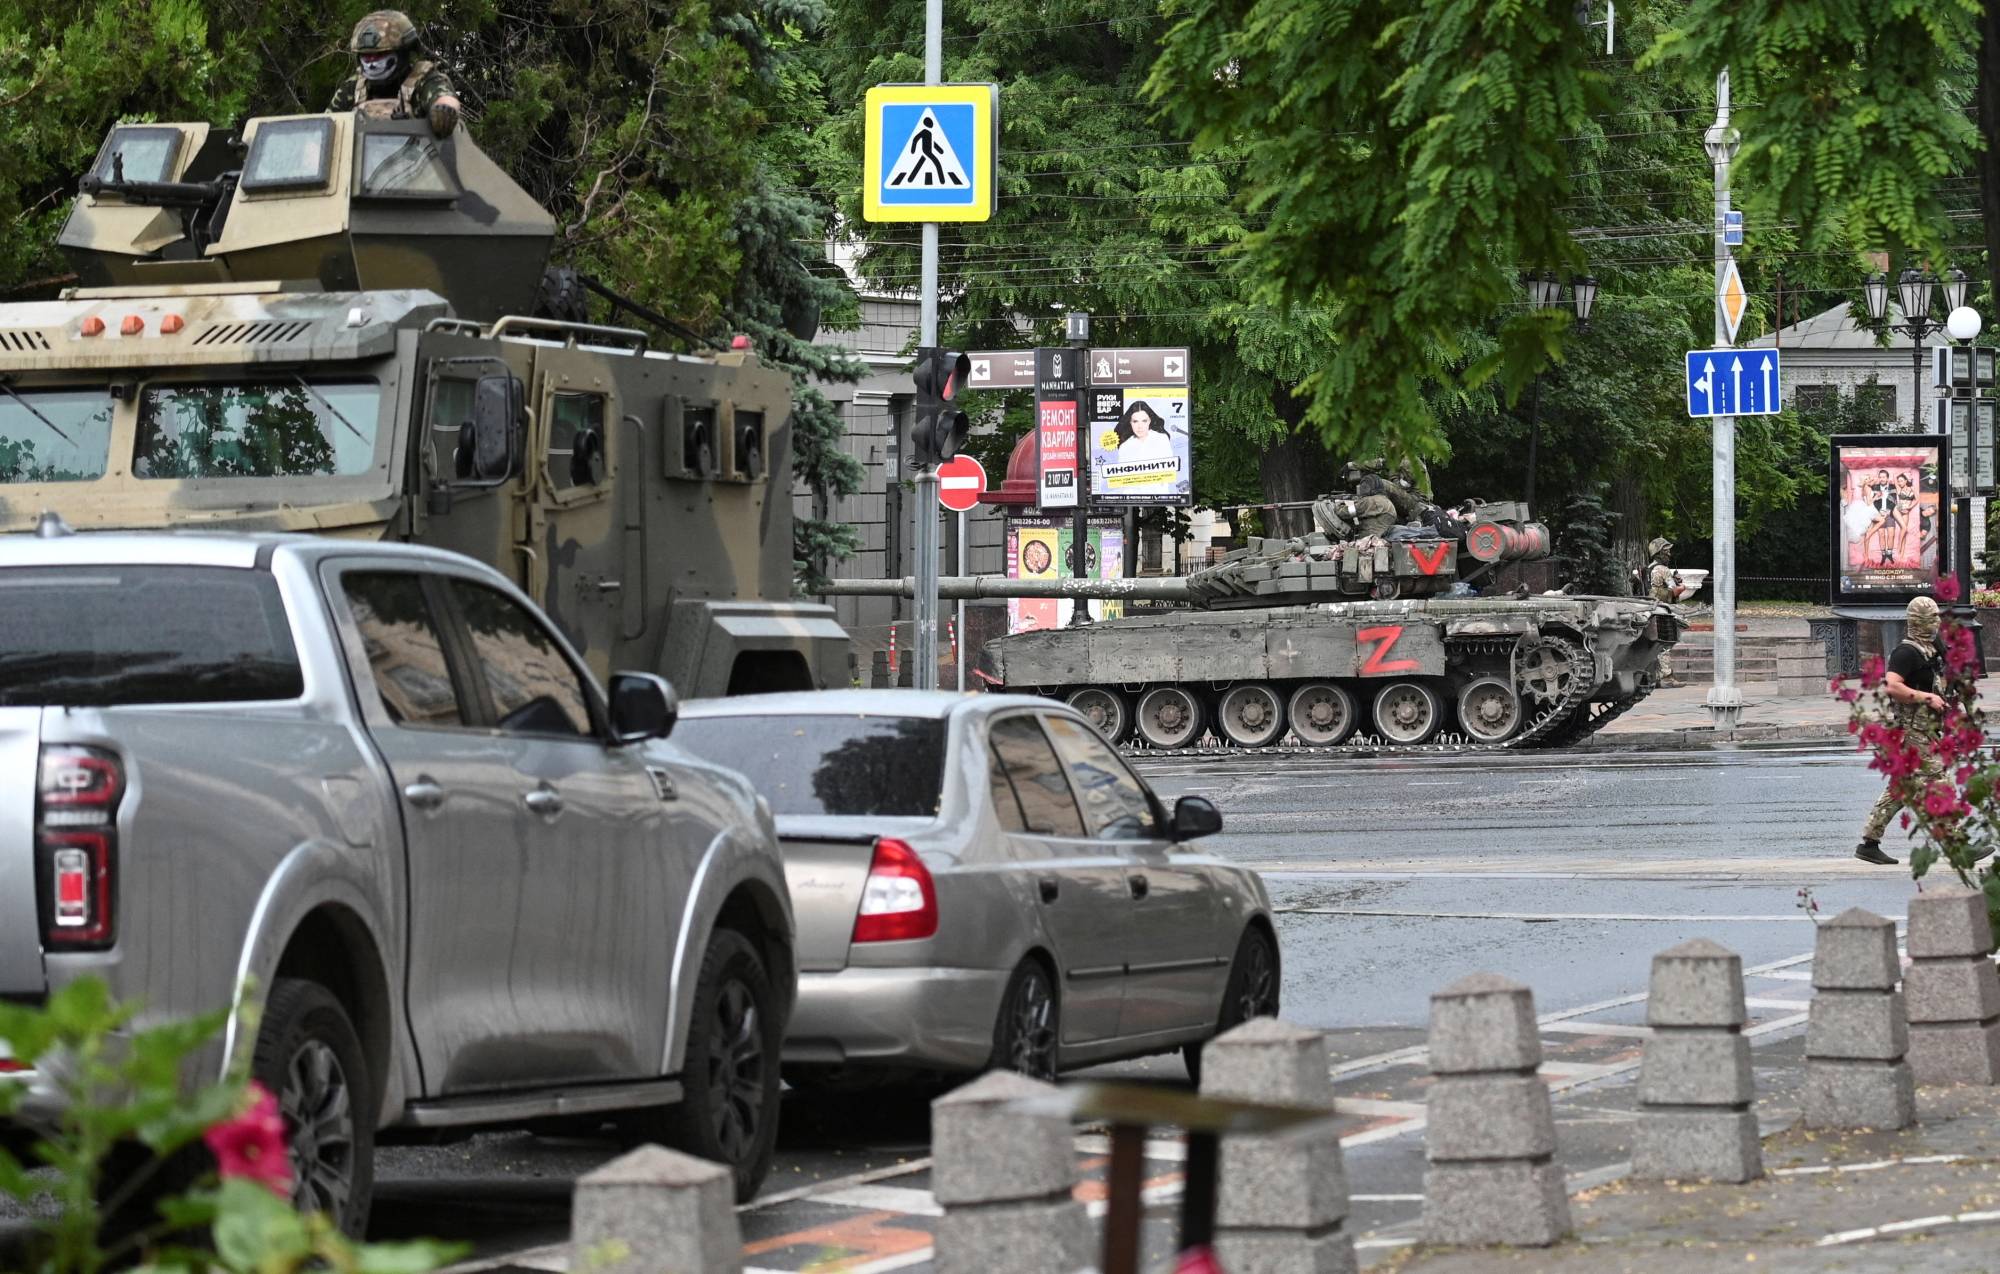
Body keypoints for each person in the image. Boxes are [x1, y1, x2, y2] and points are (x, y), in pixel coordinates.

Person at [1855, 595, 1947, 866]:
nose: (1936, 623)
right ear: (1919, 621)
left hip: (1926, 728)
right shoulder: (1905, 653)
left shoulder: (1931, 648)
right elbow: (1892, 686)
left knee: (1901, 788)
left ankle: (1869, 843)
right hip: (1911, 730)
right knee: (1939, 781)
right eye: (1931, 619)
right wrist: (1927, 698)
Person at [329, 10, 462, 138]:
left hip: (420, 153)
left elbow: (444, 98)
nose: (372, 63)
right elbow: (327, 123)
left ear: (402, 52)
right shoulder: (354, 87)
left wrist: (444, 111)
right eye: (367, 56)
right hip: (359, 154)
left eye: (380, 55)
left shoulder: (423, 81)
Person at [1647, 537, 1685, 688]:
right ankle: (1667, 676)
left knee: (1653, 645)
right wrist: (1681, 586)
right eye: (1666, 551)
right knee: (1665, 644)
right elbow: (1674, 591)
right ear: (1659, 553)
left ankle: (1655, 676)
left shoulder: (1649, 568)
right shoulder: (1663, 570)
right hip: (1662, 612)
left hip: (1649, 610)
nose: (1669, 554)